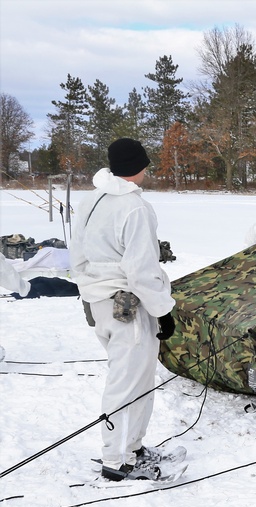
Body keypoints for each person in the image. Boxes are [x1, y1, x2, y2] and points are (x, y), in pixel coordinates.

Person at [70, 138, 179, 481]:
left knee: (140, 378)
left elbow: (78, 252)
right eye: (147, 165)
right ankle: (116, 461)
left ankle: (132, 447)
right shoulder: (134, 208)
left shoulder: (92, 198)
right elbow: (142, 270)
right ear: (139, 166)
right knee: (127, 382)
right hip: (127, 307)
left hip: (102, 304)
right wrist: (162, 309)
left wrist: (88, 293)